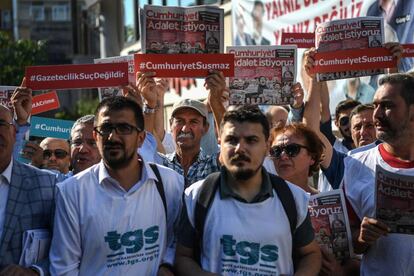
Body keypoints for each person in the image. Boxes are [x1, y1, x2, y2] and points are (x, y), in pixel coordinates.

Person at [175, 105, 321, 275]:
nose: (240, 148)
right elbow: (182, 257)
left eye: (251, 140)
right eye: (232, 140)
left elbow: (311, 254)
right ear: (219, 141)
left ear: (267, 146)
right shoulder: (196, 196)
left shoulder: (293, 198)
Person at [49, 96, 183, 275]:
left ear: (141, 138)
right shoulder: (72, 192)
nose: (112, 137)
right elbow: (64, 269)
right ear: (96, 136)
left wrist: (167, 265)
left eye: (124, 128)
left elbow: (179, 242)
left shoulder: (170, 182)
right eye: (106, 128)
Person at [343, 73, 414, 276]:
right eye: (375, 105)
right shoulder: (355, 165)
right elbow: (347, 245)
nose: (376, 116)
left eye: (387, 106)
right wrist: (363, 238)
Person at [0, 104, 56, 275]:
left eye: (0, 123)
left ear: (14, 132)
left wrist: (35, 272)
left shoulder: (47, 184)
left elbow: (67, 249)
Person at [155, 71, 226, 187]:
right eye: (180, 121)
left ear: (205, 128)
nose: (185, 128)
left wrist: (215, 102)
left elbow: (230, 146)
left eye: (193, 122)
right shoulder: (161, 163)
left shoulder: (212, 164)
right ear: (170, 125)